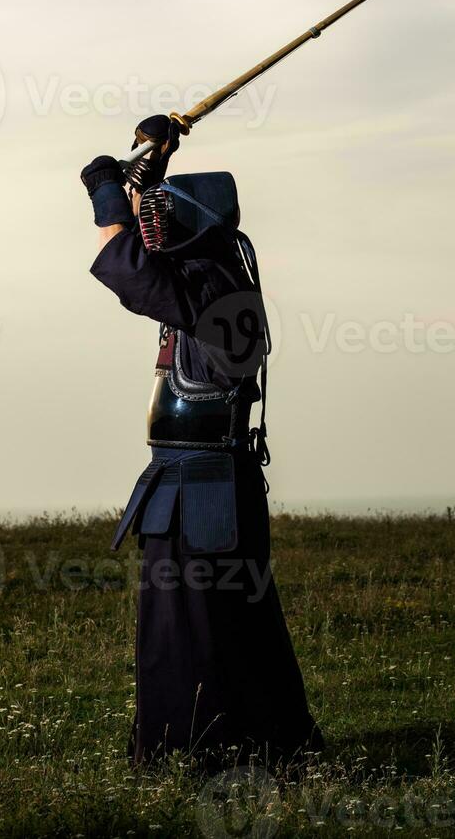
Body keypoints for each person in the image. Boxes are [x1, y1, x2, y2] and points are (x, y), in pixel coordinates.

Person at [81, 115, 322, 770]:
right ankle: (258, 743)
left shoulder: (211, 281)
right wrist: (149, 168)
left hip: (202, 487)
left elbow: (124, 261)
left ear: (195, 229)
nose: (156, 224)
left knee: (192, 629)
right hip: (207, 481)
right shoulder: (221, 265)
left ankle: (201, 748)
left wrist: (106, 186)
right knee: (223, 624)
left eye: (166, 215)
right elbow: (153, 249)